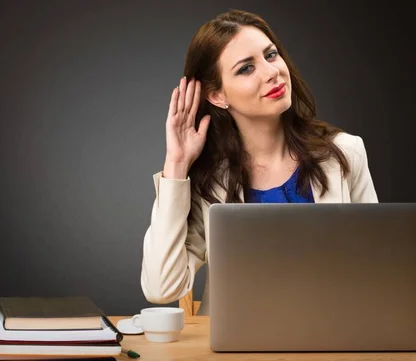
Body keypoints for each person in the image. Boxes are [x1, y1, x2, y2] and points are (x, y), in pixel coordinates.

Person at [140, 9, 378, 314]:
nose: (271, 72)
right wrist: (176, 164)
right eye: (246, 68)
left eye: (271, 55)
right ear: (216, 95)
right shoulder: (209, 180)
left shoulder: (345, 153)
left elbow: (376, 266)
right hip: (235, 345)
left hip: (331, 334)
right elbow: (162, 288)